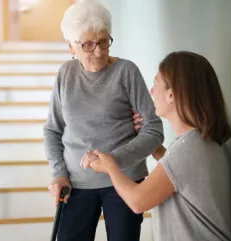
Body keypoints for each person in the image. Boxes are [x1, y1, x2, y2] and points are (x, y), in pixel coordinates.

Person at [43, 2, 165, 241]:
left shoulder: (126, 71)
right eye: (88, 45)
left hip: (125, 180)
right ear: (71, 47)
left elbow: (153, 129)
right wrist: (59, 173)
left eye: (103, 41)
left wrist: (112, 162)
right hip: (75, 184)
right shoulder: (65, 75)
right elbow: (52, 130)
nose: (98, 51)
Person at [83, 51, 231, 241]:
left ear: (171, 94)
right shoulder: (200, 143)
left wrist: (110, 168)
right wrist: (156, 150)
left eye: (156, 83)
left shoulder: (188, 148)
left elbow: (138, 201)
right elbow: (180, 178)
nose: (151, 91)